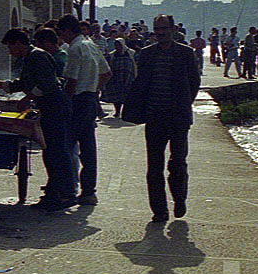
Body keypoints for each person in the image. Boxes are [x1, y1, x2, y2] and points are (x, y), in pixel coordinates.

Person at [122, 14, 201, 221]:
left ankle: (179, 197)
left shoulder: (185, 53)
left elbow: (194, 82)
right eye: (157, 29)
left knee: (177, 162)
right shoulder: (147, 54)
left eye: (164, 29)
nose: (160, 33)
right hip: (154, 116)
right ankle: (159, 210)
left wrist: (184, 104)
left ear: (173, 29)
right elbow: (141, 83)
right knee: (154, 166)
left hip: (178, 117)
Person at [0, 28, 74, 211]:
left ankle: (66, 194)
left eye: (10, 47)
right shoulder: (29, 58)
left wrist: (27, 98)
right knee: (50, 153)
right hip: (49, 108)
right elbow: (24, 83)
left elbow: (47, 84)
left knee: (57, 152)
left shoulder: (37, 56)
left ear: (18, 43)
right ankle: (53, 194)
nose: (10, 52)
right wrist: (2, 85)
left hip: (56, 107)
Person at [57, 14, 109, 207]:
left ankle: (68, 191)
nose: (62, 38)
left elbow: (71, 80)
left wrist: (66, 103)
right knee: (88, 148)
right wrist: (94, 89)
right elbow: (106, 73)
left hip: (78, 100)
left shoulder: (75, 48)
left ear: (68, 31)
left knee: (67, 146)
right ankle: (88, 191)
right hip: (88, 100)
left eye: (62, 34)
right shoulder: (91, 45)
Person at [103, 37, 136, 118]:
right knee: (116, 96)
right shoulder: (112, 55)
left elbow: (136, 63)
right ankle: (117, 111)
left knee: (127, 95)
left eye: (119, 45)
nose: (117, 46)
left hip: (127, 77)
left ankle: (126, 112)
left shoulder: (131, 53)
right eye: (116, 45)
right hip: (116, 77)